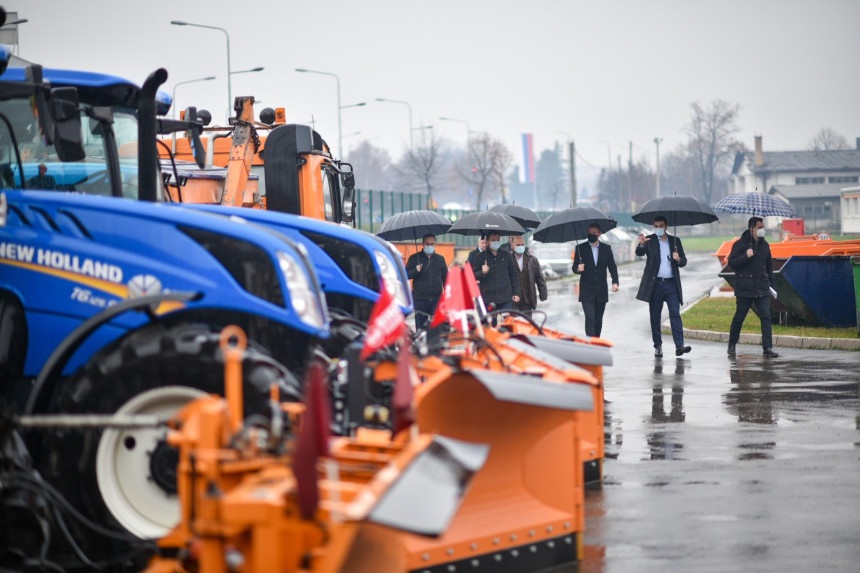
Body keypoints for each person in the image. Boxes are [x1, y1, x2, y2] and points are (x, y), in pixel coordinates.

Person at [635, 216, 691, 358]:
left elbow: (683, 261)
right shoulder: (649, 240)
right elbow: (639, 253)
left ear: (666, 226)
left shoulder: (675, 241)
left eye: (661, 226)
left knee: (675, 313)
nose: (658, 228)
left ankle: (679, 346)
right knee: (655, 316)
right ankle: (658, 346)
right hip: (656, 284)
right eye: (656, 226)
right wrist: (641, 244)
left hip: (672, 284)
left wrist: (678, 259)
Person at [727, 217, 778, 358]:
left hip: (762, 288)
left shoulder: (765, 245)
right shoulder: (740, 244)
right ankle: (731, 345)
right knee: (739, 318)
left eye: (763, 227)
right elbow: (732, 263)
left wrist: (771, 286)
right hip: (745, 288)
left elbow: (769, 268)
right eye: (759, 227)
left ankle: (767, 348)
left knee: (766, 317)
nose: (762, 229)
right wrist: (746, 255)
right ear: (752, 228)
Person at [572, 224, 619, 337]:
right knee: (590, 319)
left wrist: (615, 282)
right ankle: (591, 345)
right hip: (586, 291)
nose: (591, 235)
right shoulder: (580, 248)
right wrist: (578, 268)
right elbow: (574, 267)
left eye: (594, 233)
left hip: (601, 290)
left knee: (598, 320)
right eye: (589, 233)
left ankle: (596, 341)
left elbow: (612, 267)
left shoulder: (606, 249)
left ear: (599, 233)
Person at [405, 233, 448, 330]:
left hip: (436, 299)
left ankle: (434, 345)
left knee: (437, 328)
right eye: (427, 244)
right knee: (420, 328)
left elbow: (446, 278)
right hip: (420, 300)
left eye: (432, 244)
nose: (430, 246)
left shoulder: (440, 259)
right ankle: (421, 345)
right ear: (423, 244)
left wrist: (447, 296)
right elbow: (406, 274)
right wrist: (416, 270)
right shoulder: (414, 258)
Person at [470, 232, 521, 313]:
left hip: (505, 297)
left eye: (497, 240)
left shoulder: (507, 255)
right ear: (488, 241)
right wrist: (482, 272)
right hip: (488, 298)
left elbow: (513, 275)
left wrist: (516, 293)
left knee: (506, 322)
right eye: (493, 240)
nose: (496, 242)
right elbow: (473, 275)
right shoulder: (480, 257)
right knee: (490, 323)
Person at [510, 235, 546, 318]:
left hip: (527, 298)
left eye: (522, 244)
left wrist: (543, 294)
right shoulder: (508, 259)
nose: (521, 247)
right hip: (513, 299)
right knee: (515, 325)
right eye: (518, 245)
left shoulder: (532, 259)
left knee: (527, 324)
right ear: (512, 246)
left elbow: (540, 277)